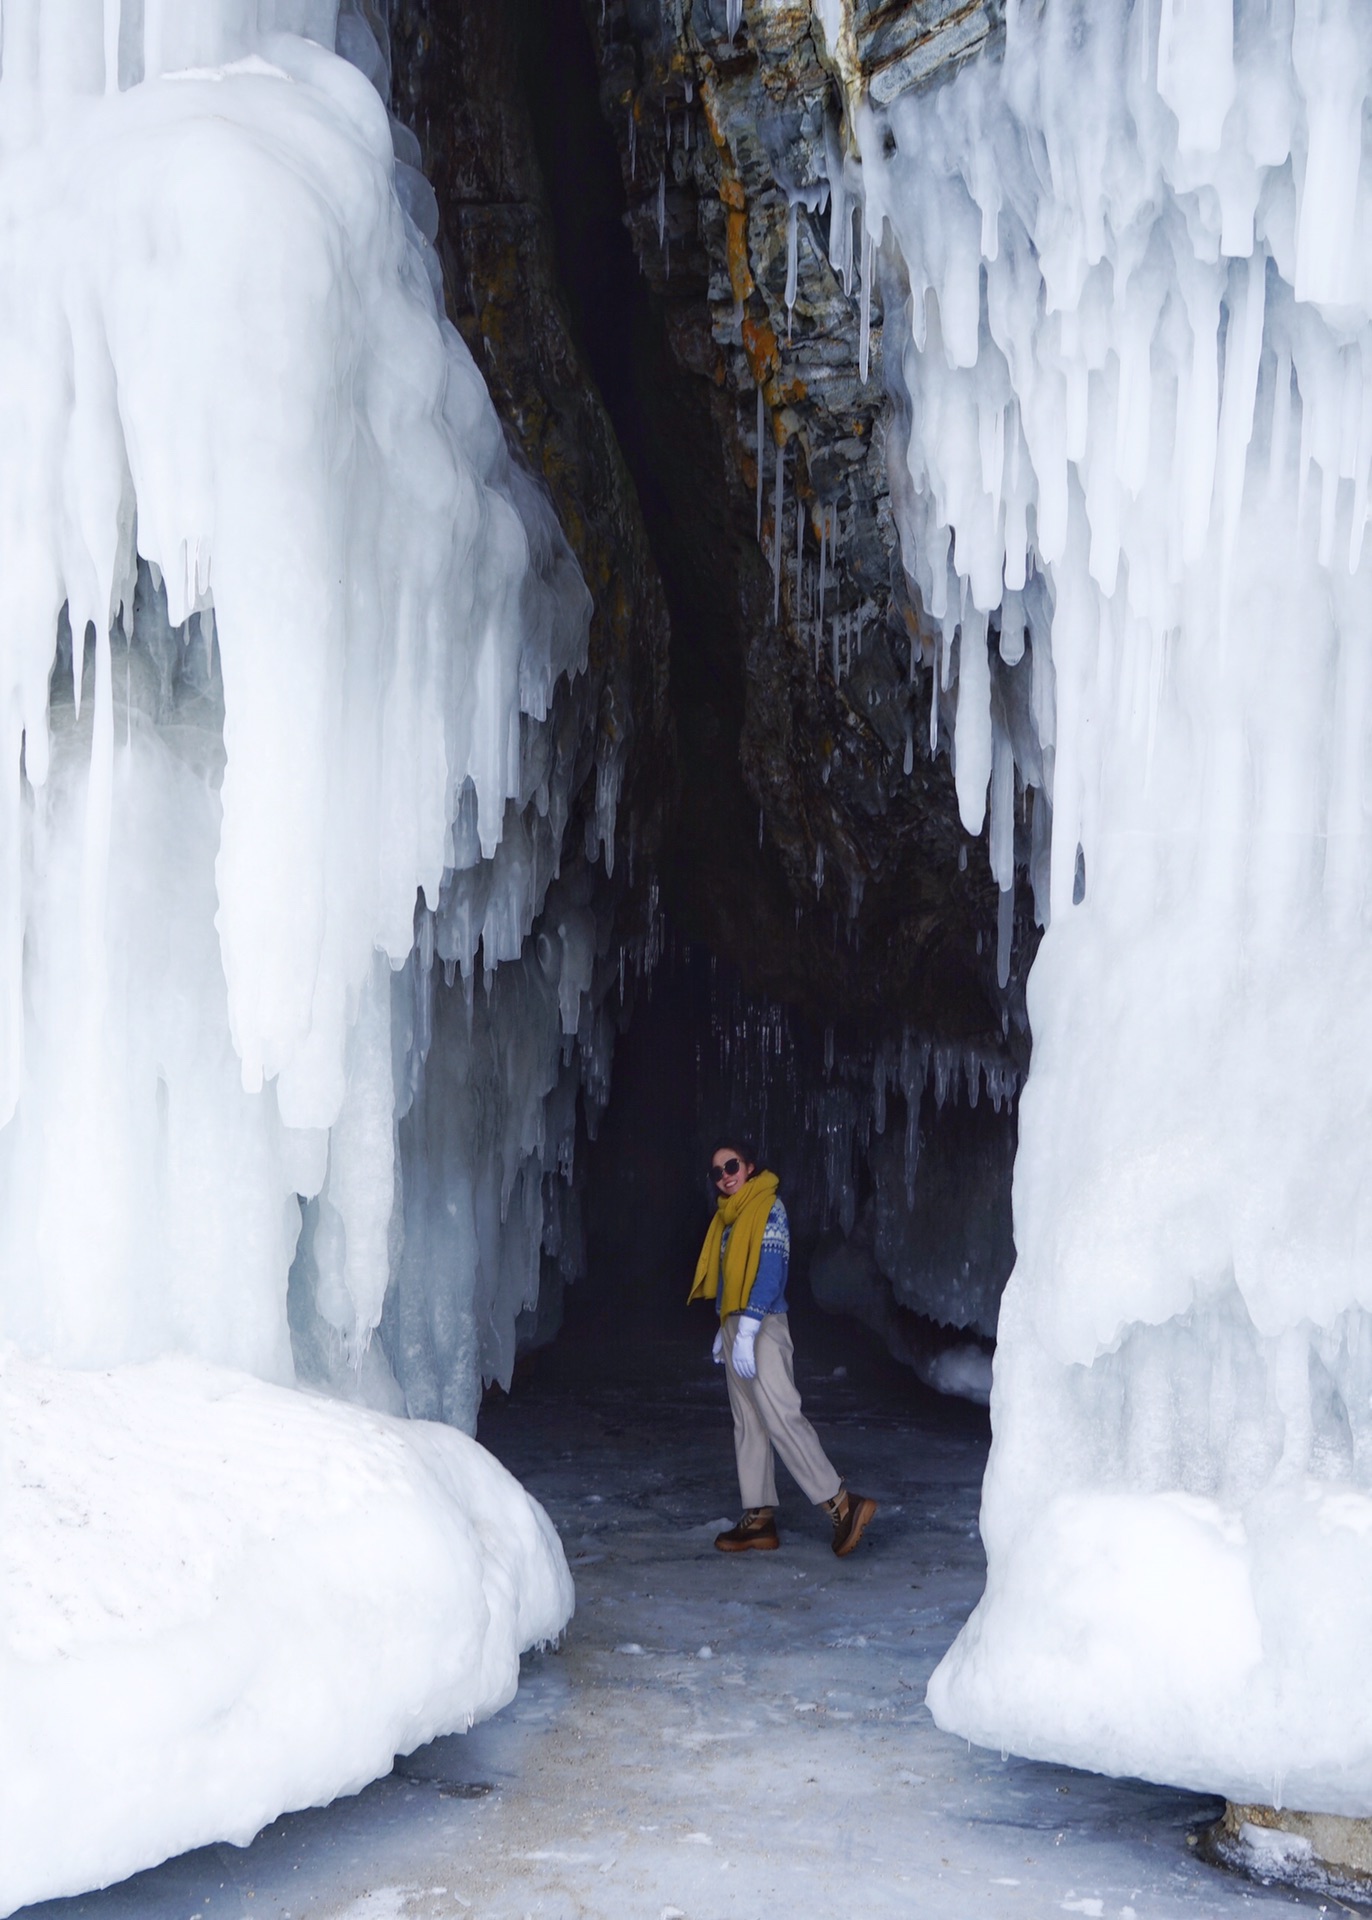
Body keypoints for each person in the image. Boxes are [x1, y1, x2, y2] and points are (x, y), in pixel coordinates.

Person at [689, 1138, 877, 1556]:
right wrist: (726, 1326)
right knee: (748, 1421)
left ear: (750, 1167)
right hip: (736, 1324)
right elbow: (727, 1277)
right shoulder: (728, 1219)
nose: (725, 1177)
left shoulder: (768, 1209)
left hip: (763, 1326)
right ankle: (759, 1517)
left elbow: (771, 1271)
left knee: (781, 1417)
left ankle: (844, 1504)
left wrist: (751, 1324)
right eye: (717, 1172)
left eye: (732, 1166)